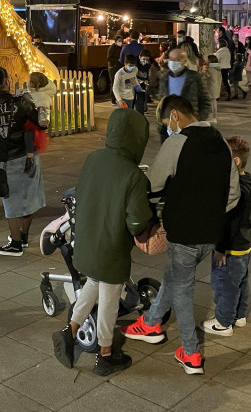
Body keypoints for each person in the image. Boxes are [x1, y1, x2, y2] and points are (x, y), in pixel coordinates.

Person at [122, 96, 240, 375]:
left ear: (175, 115)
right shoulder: (220, 141)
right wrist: (211, 213)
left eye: (167, 124)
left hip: (184, 232)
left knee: (183, 291)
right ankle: (150, 322)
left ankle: (190, 353)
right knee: (175, 277)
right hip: (211, 233)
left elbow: (154, 185)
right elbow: (233, 193)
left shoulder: (177, 143)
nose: (167, 130)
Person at [51, 108, 152, 376]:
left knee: (93, 282)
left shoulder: (94, 158)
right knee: (109, 298)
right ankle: (105, 354)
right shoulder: (133, 175)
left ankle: (70, 330)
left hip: (86, 243)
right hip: (111, 247)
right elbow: (137, 220)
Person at [0, 67, 46, 256]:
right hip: (27, 155)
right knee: (29, 197)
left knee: (10, 200)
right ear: (5, 82)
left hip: (4, 159)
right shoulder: (21, 101)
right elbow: (41, 123)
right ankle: (22, 238)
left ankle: (15, 242)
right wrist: (40, 105)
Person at [202, 136, 251, 337]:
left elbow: (229, 222)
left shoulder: (236, 191)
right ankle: (239, 315)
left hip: (231, 247)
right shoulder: (247, 182)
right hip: (244, 244)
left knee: (224, 284)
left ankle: (223, 322)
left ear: (236, 162)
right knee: (241, 280)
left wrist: (220, 248)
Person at [158, 48, 211, 123]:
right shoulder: (164, 79)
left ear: (185, 61)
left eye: (177, 59)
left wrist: (198, 119)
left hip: (190, 122)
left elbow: (205, 101)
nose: (173, 62)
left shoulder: (195, 77)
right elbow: (161, 103)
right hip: (169, 122)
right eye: (171, 59)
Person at [107, 34, 124, 104]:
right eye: (119, 41)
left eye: (121, 41)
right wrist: (117, 60)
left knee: (120, 82)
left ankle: (119, 98)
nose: (121, 42)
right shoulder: (112, 48)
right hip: (113, 67)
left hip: (119, 67)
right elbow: (109, 58)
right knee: (114, 83)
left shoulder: (121, 47)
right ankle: (113, 98)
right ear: (116, 41)